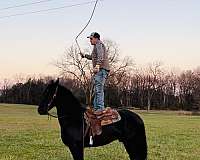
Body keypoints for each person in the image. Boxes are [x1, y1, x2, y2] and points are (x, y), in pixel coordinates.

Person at [81, 32, 110, 111]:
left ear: (96, 38)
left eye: (91, 38)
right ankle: (96, 108)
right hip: (100, 70)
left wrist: (97, 65)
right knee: (96, 89)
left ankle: (100, 109)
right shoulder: (96, 46)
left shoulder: (98, 44)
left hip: (101, 70)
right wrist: (84, 55)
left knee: (99, 89)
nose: (90, 40)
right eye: (89, 39)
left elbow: (100, 56)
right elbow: (93, 57)